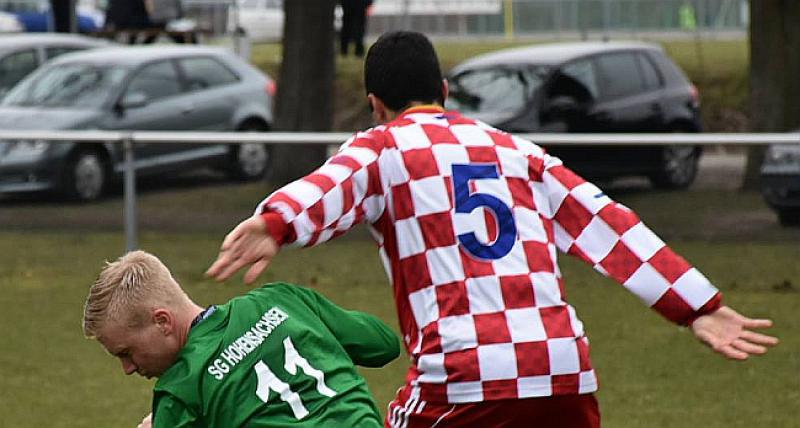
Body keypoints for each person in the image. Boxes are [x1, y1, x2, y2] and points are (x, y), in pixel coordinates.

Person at [206, 31, 779, 427]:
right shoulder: (516, 151)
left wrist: (277, 221)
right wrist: (698, 305)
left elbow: (332, 184)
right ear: (445, 92)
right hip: (562, 370)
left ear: (375, 104)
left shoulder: (381, 147)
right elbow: (610, 226)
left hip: (467, 374)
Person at [83, 250, 400, 427]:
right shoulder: (281, 299)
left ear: (162, 321)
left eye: (126, 352)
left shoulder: (181, 392)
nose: (127, 368)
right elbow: (384, 344)